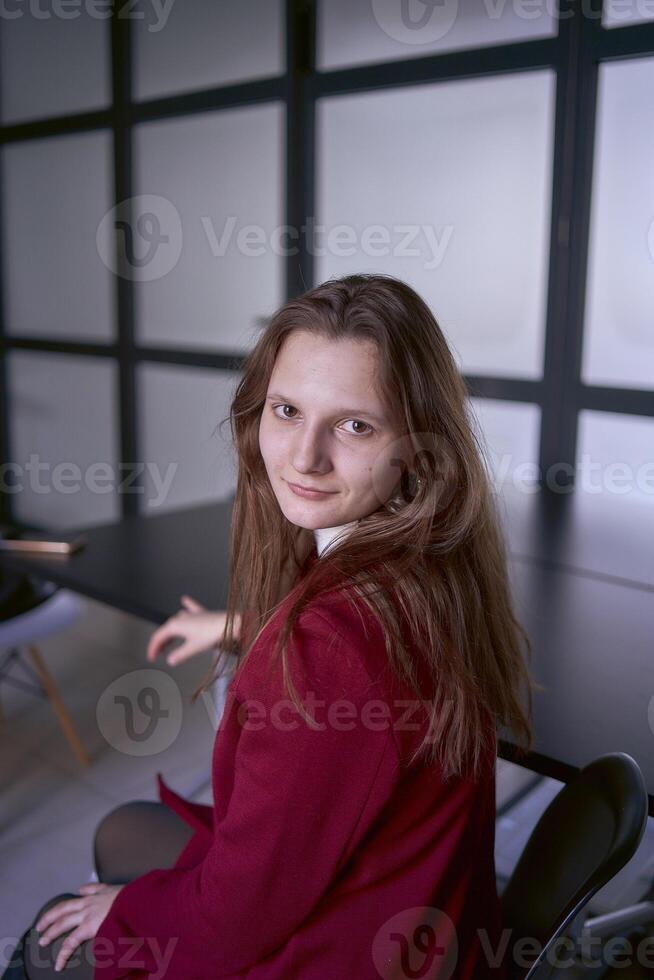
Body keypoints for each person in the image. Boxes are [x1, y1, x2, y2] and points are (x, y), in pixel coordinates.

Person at [5, 273, 535, 979]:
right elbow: (362, 674)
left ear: (418, 445)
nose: (304, 457)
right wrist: (250, 626)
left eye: (355, 425)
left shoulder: (328, 652)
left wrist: (128, 912)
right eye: (286, 410)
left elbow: (235, 924)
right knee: (122, 829)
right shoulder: (432, 570)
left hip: (342, 953)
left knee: (45, 944)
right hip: (427, 924)